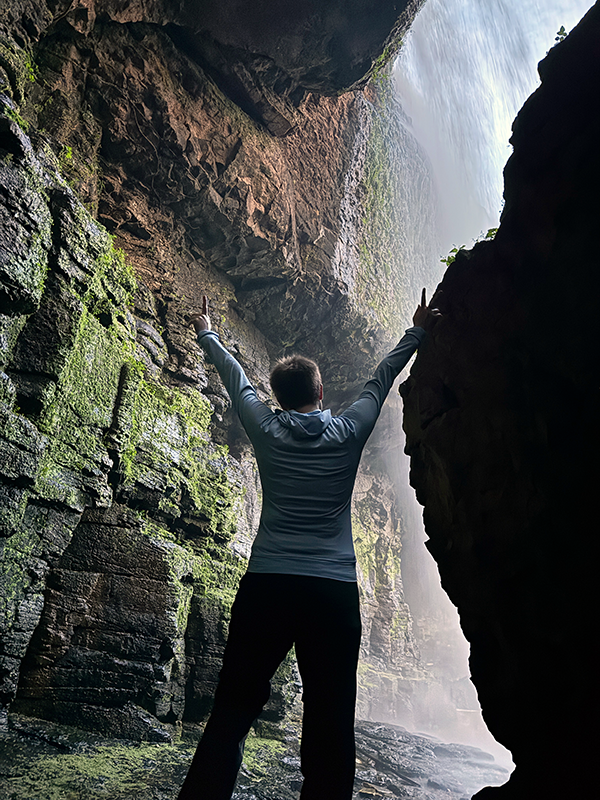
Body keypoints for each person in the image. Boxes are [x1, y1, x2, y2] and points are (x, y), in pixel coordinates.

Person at [178, 290, 440, 800]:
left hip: (268, 587)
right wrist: (418, 331)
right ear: (321, 390)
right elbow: (380, 380)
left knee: (232, 709)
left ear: (278, 397)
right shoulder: (347, 432)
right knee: (331, 717)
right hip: (332, 594)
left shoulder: (266, 428)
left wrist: (207, 331)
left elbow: (235, 378)